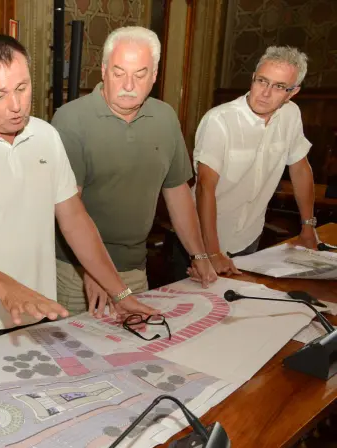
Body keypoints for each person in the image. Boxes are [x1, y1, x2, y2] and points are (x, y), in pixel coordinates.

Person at [0, 33, 158, 353]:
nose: (15, 106)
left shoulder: (47, 137)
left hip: (36, 316)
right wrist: (6, 289)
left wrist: (121, 294)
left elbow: (75, 220)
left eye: (22, 88)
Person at [50, 26, 218, 314]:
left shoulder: (165, 118)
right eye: (118, 73)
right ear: (103, 71)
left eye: (140, 74)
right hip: (78, 271)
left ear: (154, 76)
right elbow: (68, 209)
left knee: (136, 353)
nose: (129, 84)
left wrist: (200, 253)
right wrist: (93, 270)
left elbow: (178, 193)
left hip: (134, 269)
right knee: (78, 356)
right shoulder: (71, 120)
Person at [193, 46, 317, 275]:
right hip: (201, 241)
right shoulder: (220, 120)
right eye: (262, 81)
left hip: (250, 236)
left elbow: (300, 168)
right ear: (253, 78)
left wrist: (308, 226)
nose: (266, 93)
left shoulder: (291, 115)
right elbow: (204, 187)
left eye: (279, 86)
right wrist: (212, 252)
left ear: (292, 92)